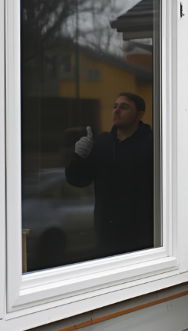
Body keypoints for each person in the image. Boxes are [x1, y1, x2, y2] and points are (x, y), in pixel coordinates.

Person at [66, 93, 155, 256]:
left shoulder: (152, 144)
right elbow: (78, 180)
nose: (116, 111)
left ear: (140, 114)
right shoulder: (103, 143)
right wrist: (79, 157)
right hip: (106, 240)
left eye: (124, 107)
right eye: (115, 106)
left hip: (143, 240)